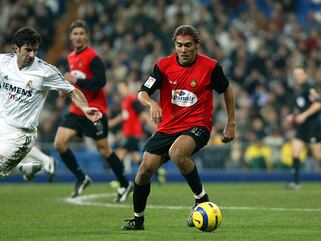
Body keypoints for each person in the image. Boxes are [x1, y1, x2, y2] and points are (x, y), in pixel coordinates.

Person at [121, 25, 235, 231]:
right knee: (144, 170)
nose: (183, 50)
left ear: (197, 45)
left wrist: (230, 123)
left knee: (177, 153)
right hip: (167, 127)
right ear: (174, 45)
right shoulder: (163, 66)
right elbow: (142, 93)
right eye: (179, 45)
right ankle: (138, 220)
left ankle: (201, 200)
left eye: (188, 45)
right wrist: (152, 104)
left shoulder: (210, 67)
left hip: (198, 125)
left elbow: (227, 90)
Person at [0, 27, 102, 179]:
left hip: (21, 134)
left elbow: (71, 90)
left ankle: (22, 167)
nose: (32, 55)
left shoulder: (45, 71)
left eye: (35, 50)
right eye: (28, 50)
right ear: (15, 48)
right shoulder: (3, 62)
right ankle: (23, 167)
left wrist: (85, 108)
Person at [53, 20, 133, 200]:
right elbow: (73, 82)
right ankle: (81, 177)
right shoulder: (71, 57)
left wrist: (76, 81)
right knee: (59, 143)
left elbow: (100, 82)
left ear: (87, 36)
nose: (78, 37)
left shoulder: (93, 57)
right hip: (76, 110)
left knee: (104, 149)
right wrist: (65, 90)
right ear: (70, 37)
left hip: (95, 111)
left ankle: (125, 183)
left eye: (81, 33)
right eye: (75, 34)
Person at [285, 66, 321, 190]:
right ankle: (296, 183)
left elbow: (318, 104)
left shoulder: (310, 88)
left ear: (306, 75)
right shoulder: (299, 90)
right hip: (303, 127)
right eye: (295, 75)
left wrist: (304, 115)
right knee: (295, 151)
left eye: (300, 74)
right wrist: (293, 116)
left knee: (318, 156)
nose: (297, 77)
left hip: (312, 125)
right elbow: (301, 108)